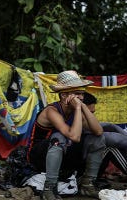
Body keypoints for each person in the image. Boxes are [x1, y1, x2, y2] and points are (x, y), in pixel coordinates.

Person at [26, 70, 105, 200]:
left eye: (82, 94)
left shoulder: (77, 109)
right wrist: (79, 108)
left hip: (63, 154)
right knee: (60, 137)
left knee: (97, 139)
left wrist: (83, 107)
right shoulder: (51, 111)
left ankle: (87, 185)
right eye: (77, 94)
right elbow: (74, 136)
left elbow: (98, 131)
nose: (81, 97)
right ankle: (49, 189)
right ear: (64, 95)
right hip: (40, 156)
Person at [82, 92, 127, 179]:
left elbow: (110, 126)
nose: (92, 116)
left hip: (86, 169)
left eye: (93, 113)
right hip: (79, 175)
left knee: (114, 137)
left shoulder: (86, 123)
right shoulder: (75, 122)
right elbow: (110, 139)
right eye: (89, 113)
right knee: (111, 147)